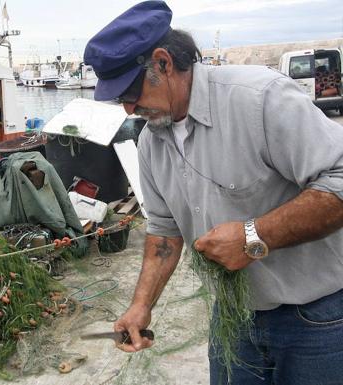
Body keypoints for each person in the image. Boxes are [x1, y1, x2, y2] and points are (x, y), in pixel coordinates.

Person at [83, 1, 343, 384]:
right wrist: (141, 305)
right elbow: (164, 231)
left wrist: (254, 237)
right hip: (234, 317)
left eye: (129, 91)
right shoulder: (151, 143)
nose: (127, 108)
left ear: (163, 63)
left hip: (316, 319)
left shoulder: (259, 99)